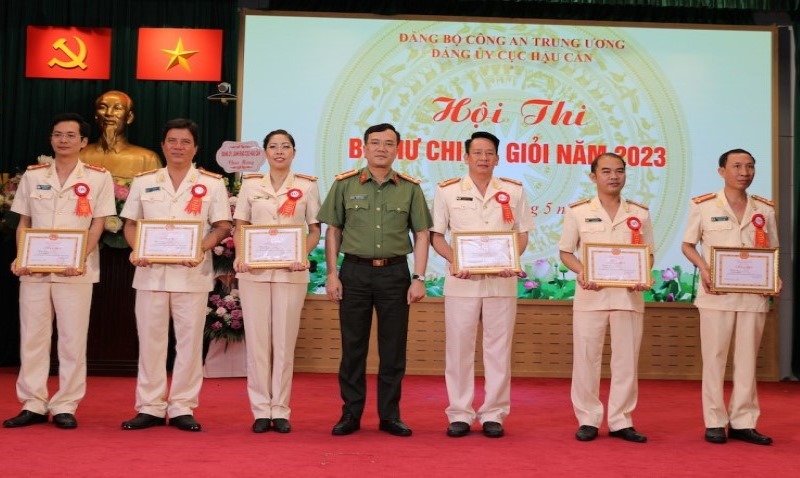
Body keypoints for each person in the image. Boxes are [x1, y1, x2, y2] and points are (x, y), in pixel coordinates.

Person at [317, 123, 432, 437]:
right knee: (353, 347)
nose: (382, 148)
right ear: (363, 148)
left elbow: (421, 234)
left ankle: (390, 415)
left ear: (398, 149)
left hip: (395, 274)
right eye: (376, 143)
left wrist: (419, 277)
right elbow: (334, 231)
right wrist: (331, 273)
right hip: (354, 272)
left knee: (393, 349)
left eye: (389, 143)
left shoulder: (410, 188)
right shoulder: (344, 184)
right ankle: (350, 414)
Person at [3, 113, 115, 430]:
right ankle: (33, 403)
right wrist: (20, 255)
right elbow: (24, 221)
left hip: (74, 270)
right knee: (33, 338)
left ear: (83, 142)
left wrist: (81, 256)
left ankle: (66, 403)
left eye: (70, 135)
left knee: (71, 339)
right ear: (51, 139)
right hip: (35, 269)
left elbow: (99, 222)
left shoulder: (98, 177)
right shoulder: (34, 174)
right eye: (57, 134)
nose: (62, 140)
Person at [119, 118, 232, 432]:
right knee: (151, 342)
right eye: (172, 140)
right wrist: (135, 248)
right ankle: (150, 407)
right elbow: (130, 224)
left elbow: (223, 226)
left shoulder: (212, 183)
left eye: (185, 142)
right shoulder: (144, 182)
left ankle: (182, 406)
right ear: (163, 145)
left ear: (195, 148)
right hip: (151, 275)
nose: (178, 146)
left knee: (189, 343)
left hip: (192, 276)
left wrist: (201, 248)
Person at [430, 131, 533, 439]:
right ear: (466, 157)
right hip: (462, 282)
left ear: (498, 158)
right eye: (477, 152)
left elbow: (523, 233)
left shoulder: (514, 191)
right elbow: (437, 236)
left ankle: (494, 413)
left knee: (498, 349)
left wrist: (511, 259)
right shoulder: (447, 191)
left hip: (501, 283)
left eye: (489, 153)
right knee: (459, 349)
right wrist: (454, 260)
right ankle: (459, 412)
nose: (483, 158)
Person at [681, 148, 780, 446]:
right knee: (714, 358)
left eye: (750, 166)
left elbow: (772, 251)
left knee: (748, 360)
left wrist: (774, 276)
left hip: (753, 295)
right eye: (737, 166)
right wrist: (704, 269)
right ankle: (714, 420)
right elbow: (688, 245)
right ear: (721, 170)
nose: (744, 172)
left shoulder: (765, 209)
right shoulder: (704, 205)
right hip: (716, 294)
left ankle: (743, 421)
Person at [558, 152, 653, 443]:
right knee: (586, 359)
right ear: (593, 176)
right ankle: (588, 419)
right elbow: (565, 252)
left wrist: (642, 276)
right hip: (591, 297)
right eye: (607, 171)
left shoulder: (640, 213)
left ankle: (621, 420)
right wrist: (582, 271)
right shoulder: (577, 211)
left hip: (628, 298)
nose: (614, 177)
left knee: (626, 361)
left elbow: (647, 254)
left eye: (620, 171)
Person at [233, 129, 321, 434]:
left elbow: (314, 230)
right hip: (254, 272)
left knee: (284, 342)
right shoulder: (251, 185)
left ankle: (280, 409)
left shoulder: (307, 187)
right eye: (273, 146)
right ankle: (260, 410)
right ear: (266, 153)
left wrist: (303, 253)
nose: (279, 151)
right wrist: (241, 254)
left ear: (294, 152)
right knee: (257, 342)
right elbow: (240, 225)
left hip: (291, 272)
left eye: (285, 147)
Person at [80, 90, 162, 182]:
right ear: (96, 115)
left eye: (117, 108)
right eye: (102, 107)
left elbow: (156, 193)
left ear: (129, 117)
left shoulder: (147, 159)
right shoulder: (80, 155)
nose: (109, 113)